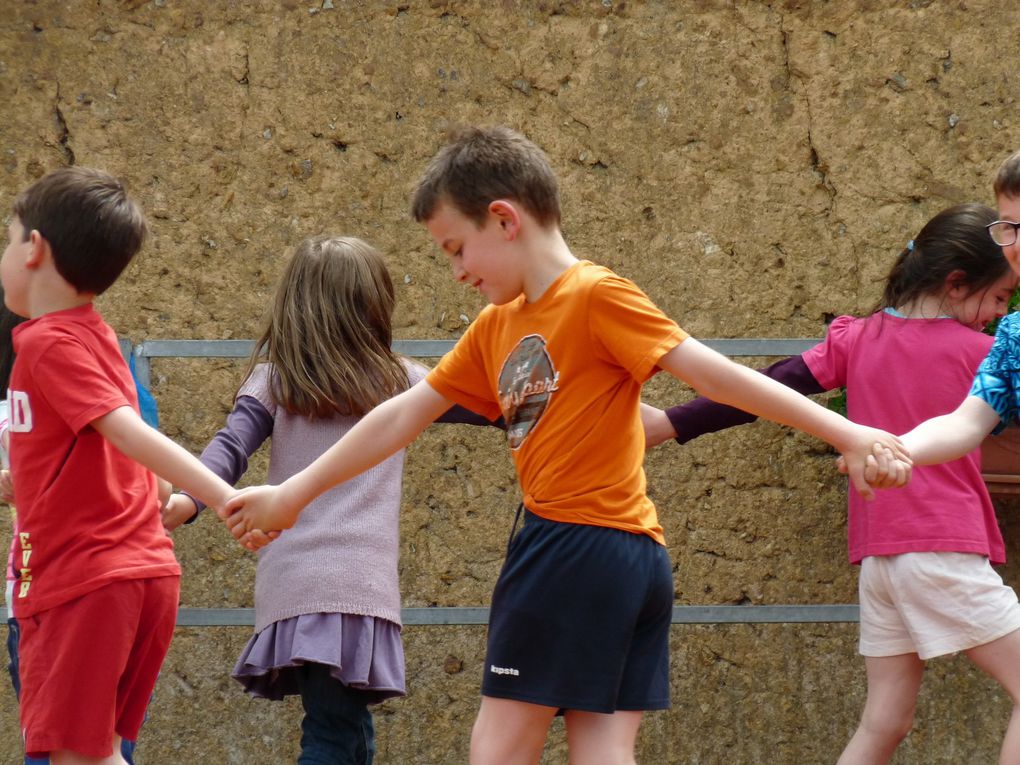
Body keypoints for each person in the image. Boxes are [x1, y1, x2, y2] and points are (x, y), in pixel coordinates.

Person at [220, 126, 910, 765]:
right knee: (603, 750)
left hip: (570, 550)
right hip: (631, 559)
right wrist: (291, 494)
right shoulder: (498, 327)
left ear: (505, 217)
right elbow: (400, 414)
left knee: (496, 749)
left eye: (456, 248)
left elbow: (714, 374)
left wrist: (847, 431)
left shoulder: (593, 294)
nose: (457, 271)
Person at [643, 201, 1020, 763]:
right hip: (942, 548)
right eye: (996, 299)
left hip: (881, 562)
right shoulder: (987, 352)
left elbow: (771, 388)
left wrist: (672, 423)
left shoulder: (856, 339)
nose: (996, 315)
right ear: (958, 283)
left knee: (885, 719)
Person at [160, 234, 503, 764]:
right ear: (374, 308)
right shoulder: (404, 382)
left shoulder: (274, 381)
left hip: (292, 585)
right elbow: (504, 410)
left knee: (343, 729)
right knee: (332, 734)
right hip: (355, 588)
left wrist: (188, 501)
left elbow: (228, 450)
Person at [1, 166, 235, 764]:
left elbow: (127, 434)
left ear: (34, 248)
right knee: (101, 752)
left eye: (9, 237)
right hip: (140, 574)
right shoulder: (97, 337)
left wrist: (222, 497)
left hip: (87, 580)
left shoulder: (45, 342)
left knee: (81, 757)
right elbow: (125, 461)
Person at [888, 152, 1020, 763]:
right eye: (1007, 226)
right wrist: (891, 449)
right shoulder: (1014, 337)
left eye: (1019, 228)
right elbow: (968, 421)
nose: (1012, 245)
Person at [0, 296, 164, 765]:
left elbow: (157, 480)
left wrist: (208, 498)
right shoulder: (97, 357)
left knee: (67, 752)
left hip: (73, 587)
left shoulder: (48, 349)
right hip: (79, 584)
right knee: (96, 750)